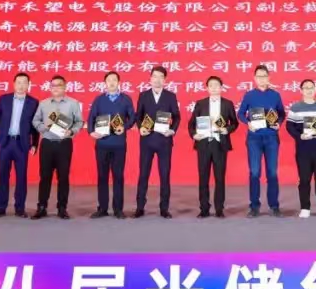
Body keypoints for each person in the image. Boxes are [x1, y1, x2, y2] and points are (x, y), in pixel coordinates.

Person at [0, 72, 40, 219]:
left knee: (21, 177)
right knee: (3, 175)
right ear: (14, 84)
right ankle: (0, 207)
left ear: (28, 85)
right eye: (18, 82)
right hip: (5, 143)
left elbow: (35, 126)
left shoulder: (33, 102)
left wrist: (34, 144)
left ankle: (20, 208)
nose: (21, 85)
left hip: (22, 144)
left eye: (24, 83)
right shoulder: (4, 99)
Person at [31, 74, 84, 220]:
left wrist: (71, 131)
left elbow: (79, 122)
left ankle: (62, 208)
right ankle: (42, 207)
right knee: (45, 176)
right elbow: (35, 120)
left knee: (63, 177)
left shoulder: (73, 103)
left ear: (65, 87)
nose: (55, 88)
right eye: (53, 85)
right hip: (47, 143)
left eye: (59, 85)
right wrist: (43, 128)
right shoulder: (43, 104)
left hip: (64, 144)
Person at [236, 64, 286, 218]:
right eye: (259, 76)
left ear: (269, 77)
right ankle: (254, 206)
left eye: (264, 76)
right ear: (255, 78)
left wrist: (279, 123)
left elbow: (282, 113)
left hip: (271, 137)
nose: (262, 79)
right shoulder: (249, 95)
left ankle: (274, 206)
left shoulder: (275, 95)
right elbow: (240, 114)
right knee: (254, 172)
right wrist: (248, 123)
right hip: (254, 138)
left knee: (272, 173)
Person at [188, 75, 239, 218]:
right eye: (211, 85)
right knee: (203, 177)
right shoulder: (201, 104)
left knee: (220, 178)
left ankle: (219, 209)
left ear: (221, 88)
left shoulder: (227, 104)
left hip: (220, 144)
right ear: (207, 88)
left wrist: (227, 130)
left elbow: (234, 123)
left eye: (217, 85)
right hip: (204, 143)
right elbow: (191, 124)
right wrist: (194, 134)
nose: (214, 88)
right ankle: (204, 208)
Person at [87, 70, 136, 219]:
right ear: (105, 83)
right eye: (109, 80)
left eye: (114, 80)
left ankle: (118, 209)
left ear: (119, 82)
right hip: (102, 143)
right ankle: (102, 208)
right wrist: (91, 132)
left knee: (118, 176)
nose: (112, 82)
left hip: (119, 144)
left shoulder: (126, 99)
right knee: (102, 176)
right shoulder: (99, 100)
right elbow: (91, 117)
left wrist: (125, 126)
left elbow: (132, 118)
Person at [134, 66, 181, 219]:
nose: (157, 79)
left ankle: (164, 208)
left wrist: (172, 130)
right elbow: (138, 116)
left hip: (164, 141)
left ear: (165, 80)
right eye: (154, 76)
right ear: (150, 78)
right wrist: (141, 128)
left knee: (165, 175)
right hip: (147, 140)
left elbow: (177, 116)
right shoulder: (143, 95)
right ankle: (140, 207)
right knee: (143, 174)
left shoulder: (170, 96)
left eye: (161, 77)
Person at [285, 79, 316, 219]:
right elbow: (289, 126)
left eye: (311, 87)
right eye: (306, 88)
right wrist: (299, 136)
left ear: (315, 89)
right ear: (301, 90)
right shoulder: (295, 108)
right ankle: (305, 208)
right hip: (303, 149)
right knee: (304, 179)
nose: (309, 90)